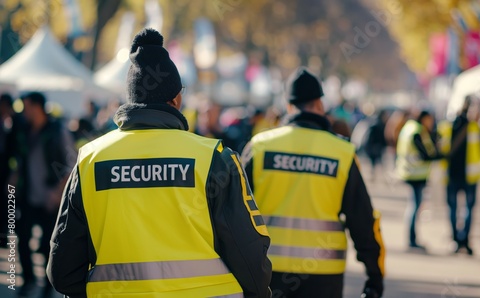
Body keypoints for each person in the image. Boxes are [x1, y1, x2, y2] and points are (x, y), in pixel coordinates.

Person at [47, 28, 272, 298]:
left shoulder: (91, 159)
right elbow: (248, 254)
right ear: (176, 99)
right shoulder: (214, 157)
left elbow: (62, 270)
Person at [242, 67, 385, 298]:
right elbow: (363, 220)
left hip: (267, 272)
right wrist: (374, 276)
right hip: (323, 274)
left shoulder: (259, 147)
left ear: (289, 107)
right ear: (320, 105)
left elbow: (234, 213)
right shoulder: (342, 153)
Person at [14, 91, 75, 297]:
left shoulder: (57, 130)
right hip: (28, 195)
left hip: (50, 198)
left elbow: (70, 164)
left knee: (49, 244)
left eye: (26, 106)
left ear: (36, 106)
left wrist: (57, 193)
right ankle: (28, 280)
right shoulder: (24, 130)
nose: (23, 111)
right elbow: (20, 160)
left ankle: (49, 284)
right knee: (22, 239)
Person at [438, 96, 480, 255]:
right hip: (470, 177)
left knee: (453, 208)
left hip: (450, 175)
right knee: (468, 209)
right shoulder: (474, 127)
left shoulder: (445, 127)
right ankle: (464, 240)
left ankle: (455, 240)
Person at [396, 111, 442, 251]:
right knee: (414, 207)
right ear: (424, 119)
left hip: (409, 171)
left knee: (414, 206)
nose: (431, 123)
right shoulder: (417, 131)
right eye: (430, 120)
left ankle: (412, 239)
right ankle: (412, 239)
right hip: (416, 174)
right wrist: (442, 156)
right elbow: (425, 154)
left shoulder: (409, 128)